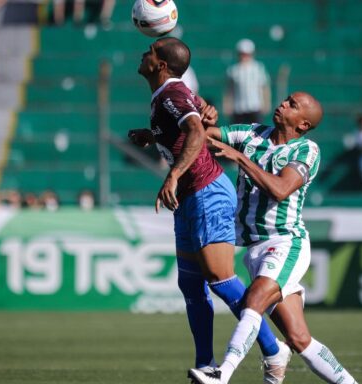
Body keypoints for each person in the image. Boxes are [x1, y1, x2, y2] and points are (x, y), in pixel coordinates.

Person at [127, 37, 290, 383]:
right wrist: (152, 135)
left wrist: (172, 173)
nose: (144, 54)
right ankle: (205, 364)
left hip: (207, 191)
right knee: (191, 284)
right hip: (189, 197)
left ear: (162, 65)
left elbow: (196, 131)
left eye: (151, 52)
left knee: (220, 278)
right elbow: (188, 123)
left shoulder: (172, 92)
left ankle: (274, 349)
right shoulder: (167, 95)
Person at [189, 92, 358, 384]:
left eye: (292, 105)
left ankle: (221, 374)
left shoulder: (306, 150)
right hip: (255, 247)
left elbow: (280, 189)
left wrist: (240, 158)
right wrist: (201, 116)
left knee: (252, 300)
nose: (283, 104)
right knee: (299, 338)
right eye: (286, 99)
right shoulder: (253, 133)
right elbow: (203, 136)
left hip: (285, 242)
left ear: (303, 125)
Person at [223, 38, 271, 124]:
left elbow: (264, 87)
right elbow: (229, 90)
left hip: (255, 108)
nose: (245, 57)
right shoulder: (233, 70)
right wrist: (227, 105)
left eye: (247, 54)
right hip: (238, 109)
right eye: (243, 54)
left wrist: (266, 103)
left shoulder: (258, 68)